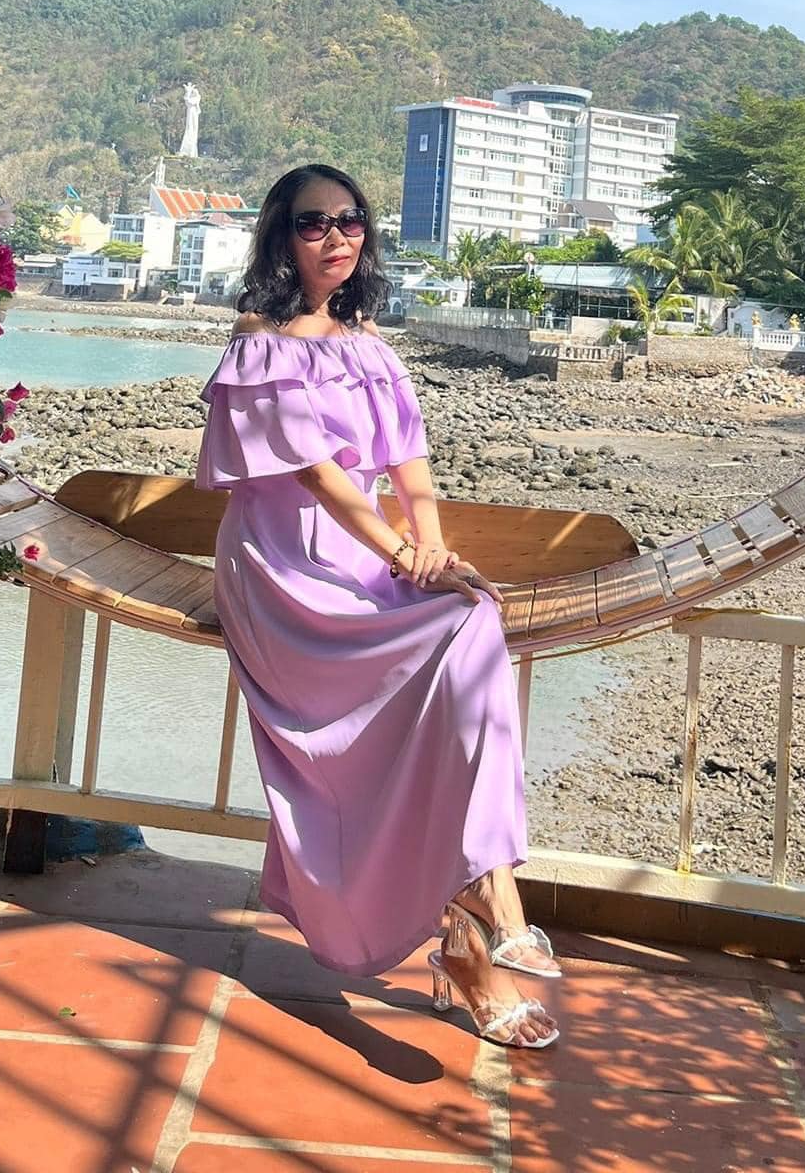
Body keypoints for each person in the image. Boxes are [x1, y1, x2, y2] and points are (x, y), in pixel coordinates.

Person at [194, 163, 561, 1048]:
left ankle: (482, 908)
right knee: (441, 663)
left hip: (363, 559)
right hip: (283, 570)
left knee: (471, 623)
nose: (336, 237)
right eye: (313, 222)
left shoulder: (367, 341)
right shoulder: (260, 338)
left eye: (351, 220)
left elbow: (408, 464)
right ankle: (485, 919)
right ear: (281, 236)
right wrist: (403, 556)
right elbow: (316, 475)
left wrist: (432, 549)